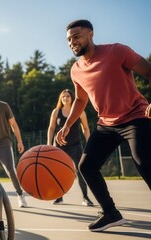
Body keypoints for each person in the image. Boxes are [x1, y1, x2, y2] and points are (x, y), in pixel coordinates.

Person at [56, 19, 151, 232]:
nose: (72, 42)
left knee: (145, 164)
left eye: (77, 36)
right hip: (106, 124)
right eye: (69, 39)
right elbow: (81, 101)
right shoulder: (76, 69)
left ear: (90, 34)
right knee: (86, 167)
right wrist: (67, 126)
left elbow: (149, 71)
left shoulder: (117, 51)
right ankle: (110, 213)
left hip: (135, 116)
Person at [47, 89, 93, 206]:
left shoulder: (79, 112)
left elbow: (86, 128)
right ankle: (59, 197)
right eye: (63, 96)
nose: (65, 98)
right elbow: (51, 128)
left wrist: (89, 142)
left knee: (80, 170)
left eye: (67, 96)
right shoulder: (56, 112)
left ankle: (85, 197)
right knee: (57, 172)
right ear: (60, 99)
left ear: (72, 98)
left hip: (75, 145)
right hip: (59, 146)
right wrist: (49, 144)